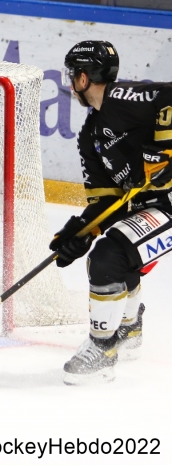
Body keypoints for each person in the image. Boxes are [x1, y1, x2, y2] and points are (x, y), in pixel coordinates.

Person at [50, 40, 172, 385]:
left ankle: (103, 350)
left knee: (110, 254)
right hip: (157, 207)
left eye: (72, 74)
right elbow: (106, 201)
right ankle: (129, 328)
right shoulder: (91, 134)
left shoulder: (123, 98)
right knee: (108, 254)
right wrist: (80, 232)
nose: (71, 82)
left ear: (84, 78)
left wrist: (165, 150)